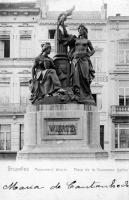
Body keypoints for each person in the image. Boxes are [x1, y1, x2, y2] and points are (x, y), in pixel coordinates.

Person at [61, 23, 95, 103]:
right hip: (76, 60)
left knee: (85, 77)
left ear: (85, 31)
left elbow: (93, 50)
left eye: (81, 29)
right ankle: (77, 93)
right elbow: (66, 34)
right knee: (75, 77)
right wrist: (62, 25)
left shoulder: (87, 41)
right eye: (79, 29)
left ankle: (86, 94)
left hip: (84, 60)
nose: (80, 30)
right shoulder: (75, 40)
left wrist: (88, 55)